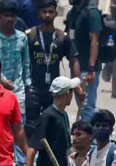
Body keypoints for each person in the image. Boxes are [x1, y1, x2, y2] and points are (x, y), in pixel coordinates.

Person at [0, 0, 31, 166]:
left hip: (18, 93)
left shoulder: (22, 38)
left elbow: (26, 64)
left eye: (12, 16)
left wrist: (27, 85)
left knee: (19, 128)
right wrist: (2, 81)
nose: (9, 19)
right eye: (6, 15)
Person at [25, 0, 80, 139]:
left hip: (55, 90)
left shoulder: (62, 38)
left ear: (56, 13)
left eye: (50, 12)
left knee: (53, 124)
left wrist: (76, 84)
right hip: (34, 88)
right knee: (31, 126)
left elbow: (74, 60)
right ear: (39, 14)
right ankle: (30, 156)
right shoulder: (30, 36)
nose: (47, 15)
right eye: (44, 12)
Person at [66, 0, 104, 122]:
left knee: (87, 107)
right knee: (81, 103)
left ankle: (88, 136)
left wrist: (91, 68)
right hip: (75, 66)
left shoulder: (92, 14)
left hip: (87, 69)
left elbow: (95, 41)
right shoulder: (73, 13)